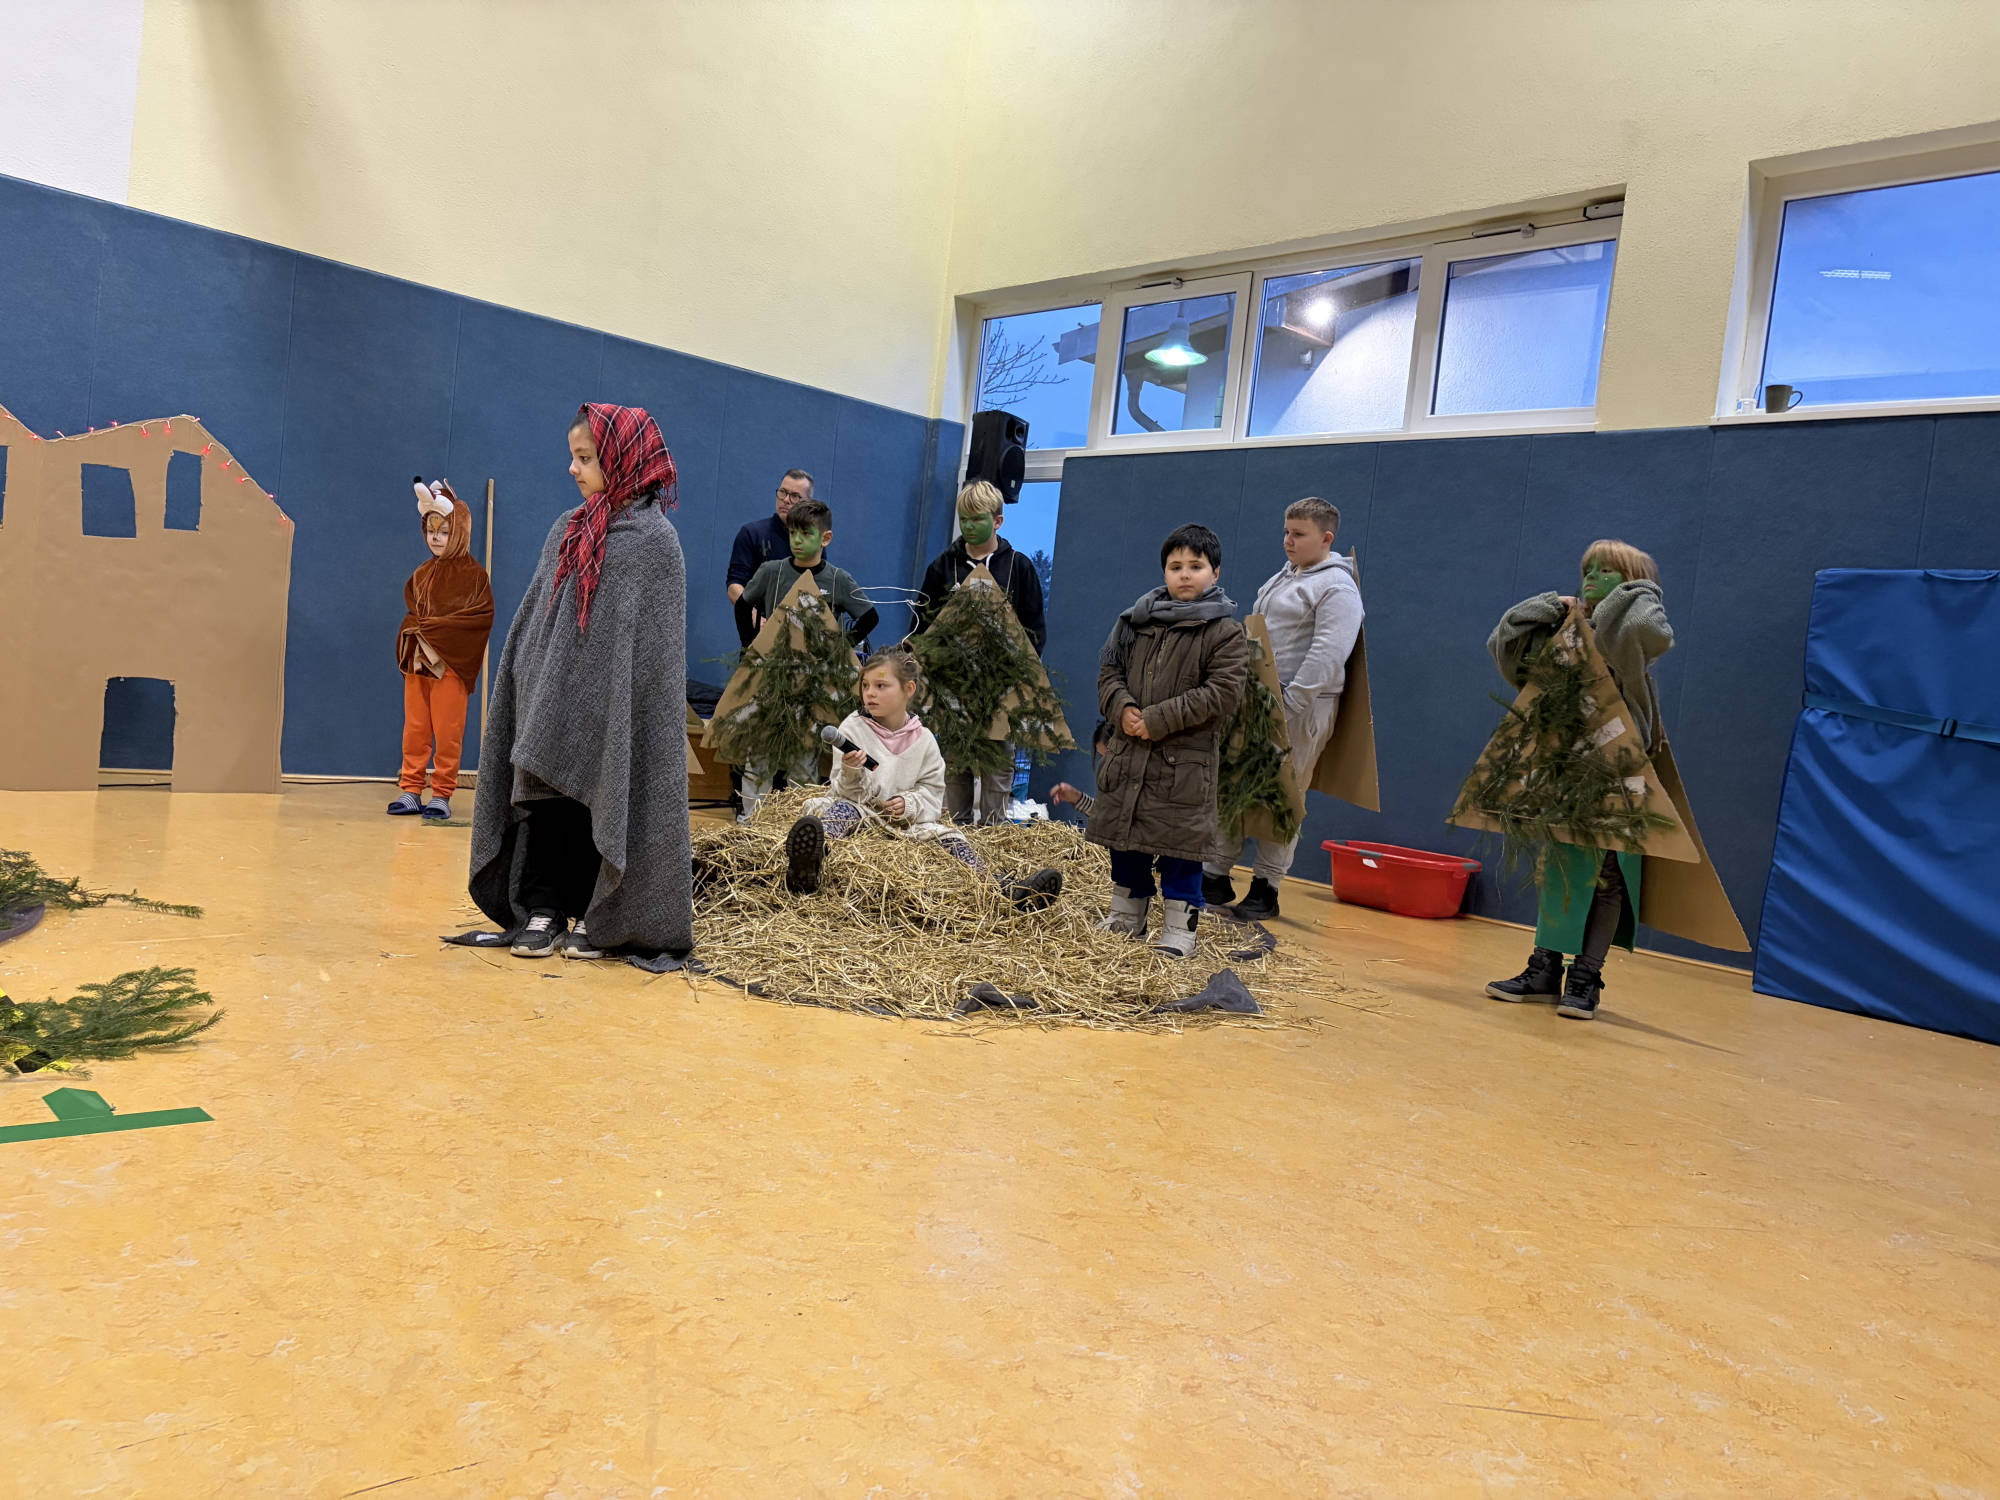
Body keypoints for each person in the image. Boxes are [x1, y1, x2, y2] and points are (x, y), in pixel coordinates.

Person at [468, 403, 693, 962]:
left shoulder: (656, 543)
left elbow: (656, 650)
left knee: (609, 799)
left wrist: (613, 696)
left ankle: (603, 915)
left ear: (622, 459)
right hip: (554, 699)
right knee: (548, 799)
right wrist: (527, 681)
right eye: (573, 457)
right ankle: (543, 908)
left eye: (586, 458)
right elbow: (537, 619)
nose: (574, 468)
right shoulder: (567, 530)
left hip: (617, 709)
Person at [1483, 539, 1673, 1020]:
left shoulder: (1628, 636)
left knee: (1608, 874)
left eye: (1607, 571)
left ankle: (1586, 976)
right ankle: (1544, 968)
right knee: (1559, 866)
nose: (1592, 578)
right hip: (1565, 764)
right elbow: (1504, 647)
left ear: (1630, 581)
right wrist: (1549, 605)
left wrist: (1638, 591)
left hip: (1617, 769)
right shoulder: (1568, 631)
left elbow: (1649, 629)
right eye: (1588, 569)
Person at [780, 648, 1062, 909]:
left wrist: (908, 804)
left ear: (908, 690)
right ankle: (809, 863)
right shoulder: (852, 729)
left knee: (952, 838)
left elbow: (932, 793)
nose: (870, 694)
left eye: (881, 686)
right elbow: (844, 792)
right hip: (862, 812)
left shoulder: (924, 740)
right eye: (865, 686)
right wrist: (852, 770)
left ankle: (1003, 890)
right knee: (841, 811)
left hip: (906, 827)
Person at [1088, 523, 1250, 958]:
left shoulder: (1225, 633)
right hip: (1129, 756)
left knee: (1181, 848)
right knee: (1126, 842)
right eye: (1176, 566)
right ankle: (1127, 914)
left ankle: (1181, 927)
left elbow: (1223, 693)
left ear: (1215, 572)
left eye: (1195, 566)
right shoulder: (1134, 623)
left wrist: (1157, 719)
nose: (1185, 574)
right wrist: (1122, 708)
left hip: (1183, 766)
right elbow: (1109, 672)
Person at [1202, 496, 1364, 920]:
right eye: (1286, 532)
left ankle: (1266, 886)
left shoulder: (1337, 587)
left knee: (1283, 794)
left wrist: (1290, 704)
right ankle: (1215, 873)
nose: (1288, 541)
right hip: (1258, 701)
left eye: (1298, 534)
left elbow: (1328, 653)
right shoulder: (1284, 576)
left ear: (1326, 538)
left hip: (1301, 707)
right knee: (1234, 782)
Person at [912, 480, 1048, 826]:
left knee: (997, 766)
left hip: (1001, 688)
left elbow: (1034, 631)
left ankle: (992, 836)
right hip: (954, 688)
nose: (969, 526)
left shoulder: (1018, 567)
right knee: (956, 764)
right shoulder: (943, 567)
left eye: (977, 519)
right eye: (964, 519)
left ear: (997, 521)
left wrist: (1018, 679)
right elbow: (923, 626)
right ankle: (955, 833)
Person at [735, 496, 879, 817]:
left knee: (804, 761)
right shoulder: (771, 572)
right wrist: (749, 646)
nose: (797, 540)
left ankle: (797, 824)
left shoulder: (837, 580)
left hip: (813, 689)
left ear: (825, 538)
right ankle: (751, 823)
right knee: (759, 756)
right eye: (792, 533)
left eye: (806, 534)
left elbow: (869, 616)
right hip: (771, 683)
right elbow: (743, 605)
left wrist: (840, 648)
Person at [389, 477, 493, 822]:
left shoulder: (474, 576)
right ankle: (411, 788)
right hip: (419, 662)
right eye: (431, 531)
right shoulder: (421, 573)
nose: (436, 538)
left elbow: (479, 618)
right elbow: (413, 613)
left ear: (459, 533)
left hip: (450, 665)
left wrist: (437, 631)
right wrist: (413, 634)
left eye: (445, 532)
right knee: (415, 727)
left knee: (448, 730)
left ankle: (442, 792)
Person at [726, 468, 816, 646]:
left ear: (807, 503)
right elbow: (734, 586)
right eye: (783, 492)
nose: (786, 500)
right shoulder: (751, 533)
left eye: (795, 496)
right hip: (758, 638)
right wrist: (754, 616)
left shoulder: (813, 543)